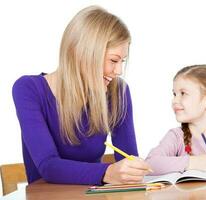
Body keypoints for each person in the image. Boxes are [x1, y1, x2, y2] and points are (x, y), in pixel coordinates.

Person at [12, 5, 151, 185]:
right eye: (113, 60)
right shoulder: (28, 89)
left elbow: (128, 158)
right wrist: (108, 172)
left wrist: (133, 169)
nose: (119, 71)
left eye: (122, 61)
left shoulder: (119, 92)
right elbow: (48, 166)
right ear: (83, 54)